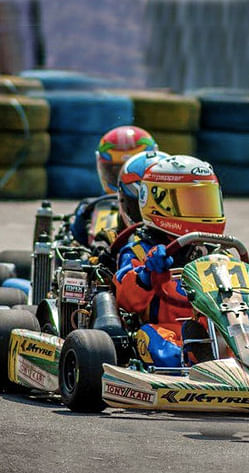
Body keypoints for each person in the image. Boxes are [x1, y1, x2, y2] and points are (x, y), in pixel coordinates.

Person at [114, 155, 226, 367]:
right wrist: (147, 274)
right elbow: (124, 300)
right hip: (167, 330)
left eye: (205, 201)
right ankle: (191, 365)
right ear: (160, 204)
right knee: (163, 352)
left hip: (218, 328)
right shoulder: (138, 250)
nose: (202, 210)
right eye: (193, 202)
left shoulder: (215, 251)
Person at [70, 126, 158, 247]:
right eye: (116, 171)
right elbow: (77, 238)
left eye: (134, 174)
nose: (123, 181)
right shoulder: (89, 207)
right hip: (100, 257)